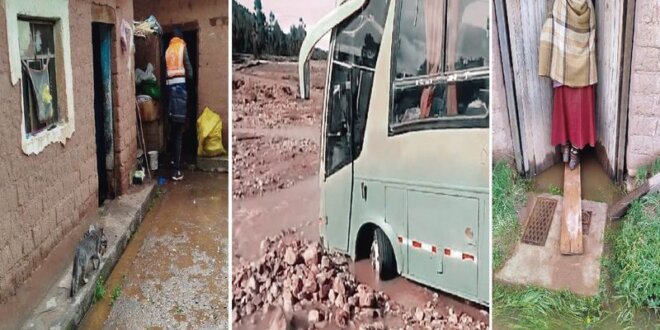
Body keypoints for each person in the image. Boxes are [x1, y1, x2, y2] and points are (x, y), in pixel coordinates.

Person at [165, 27, 193, 181]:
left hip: (170, 94)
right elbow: (189, 71)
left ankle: (171, 161)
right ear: (181, 37)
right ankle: (176, 171)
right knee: (179, 132)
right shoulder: (182, 48)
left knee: (173, 130)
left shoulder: (168, 50)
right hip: (180, 93)